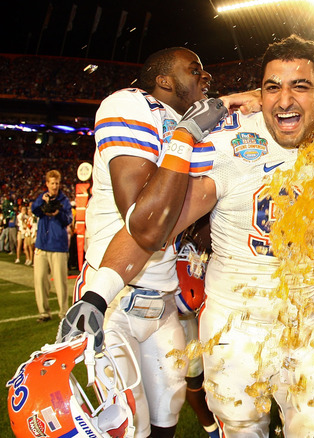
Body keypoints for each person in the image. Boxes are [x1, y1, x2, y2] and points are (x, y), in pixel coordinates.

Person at [61, 35, 314, 437]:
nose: (285, 100)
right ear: (260, 94)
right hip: (236, 323)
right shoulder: (231, 143)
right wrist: (97, 294)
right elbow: (156, 228)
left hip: (312, 320)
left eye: (301, 86)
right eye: (272, 88)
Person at [58, 46, 227, 438]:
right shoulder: (130, 104)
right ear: (164, 81)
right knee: (128, 426)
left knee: (166, 417)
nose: (206, 78)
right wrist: (185, 136)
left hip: (164, 300)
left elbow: (195, 209)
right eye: (195, 70)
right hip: (115, 300)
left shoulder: (197, 121)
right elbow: (145, 221)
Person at [32, 170, 73, 322]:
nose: (54, 186)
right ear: (47, 184)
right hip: (42, 245)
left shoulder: (65, 200)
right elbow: (34, 210)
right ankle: (44, 312)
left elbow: (68, 219)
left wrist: (58, 212)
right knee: (40, 280)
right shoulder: (42, 197)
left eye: (57, 183)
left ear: (59, 183)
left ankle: (63, 313)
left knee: (60, 283)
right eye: (52, 183)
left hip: (58, 246)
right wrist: (43, 202)